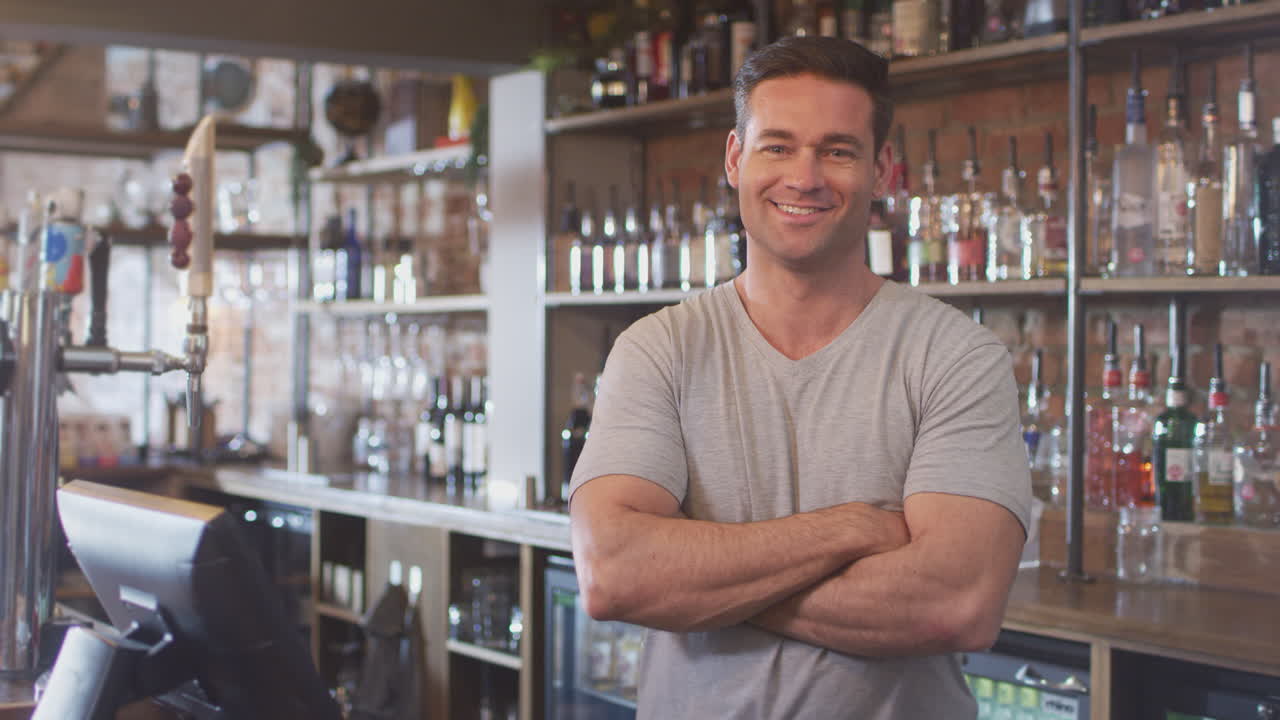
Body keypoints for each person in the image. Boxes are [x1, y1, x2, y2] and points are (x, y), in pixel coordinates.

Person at [568, 35, 1030, 719]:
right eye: (777, 146)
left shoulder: (956, 356)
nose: (805, 177)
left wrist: (706, 585)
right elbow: (615, 575)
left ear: (883, 171)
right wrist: (851, 530)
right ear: (735, 158)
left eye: (837, 150)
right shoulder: (659, 349)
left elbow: (955, 604)